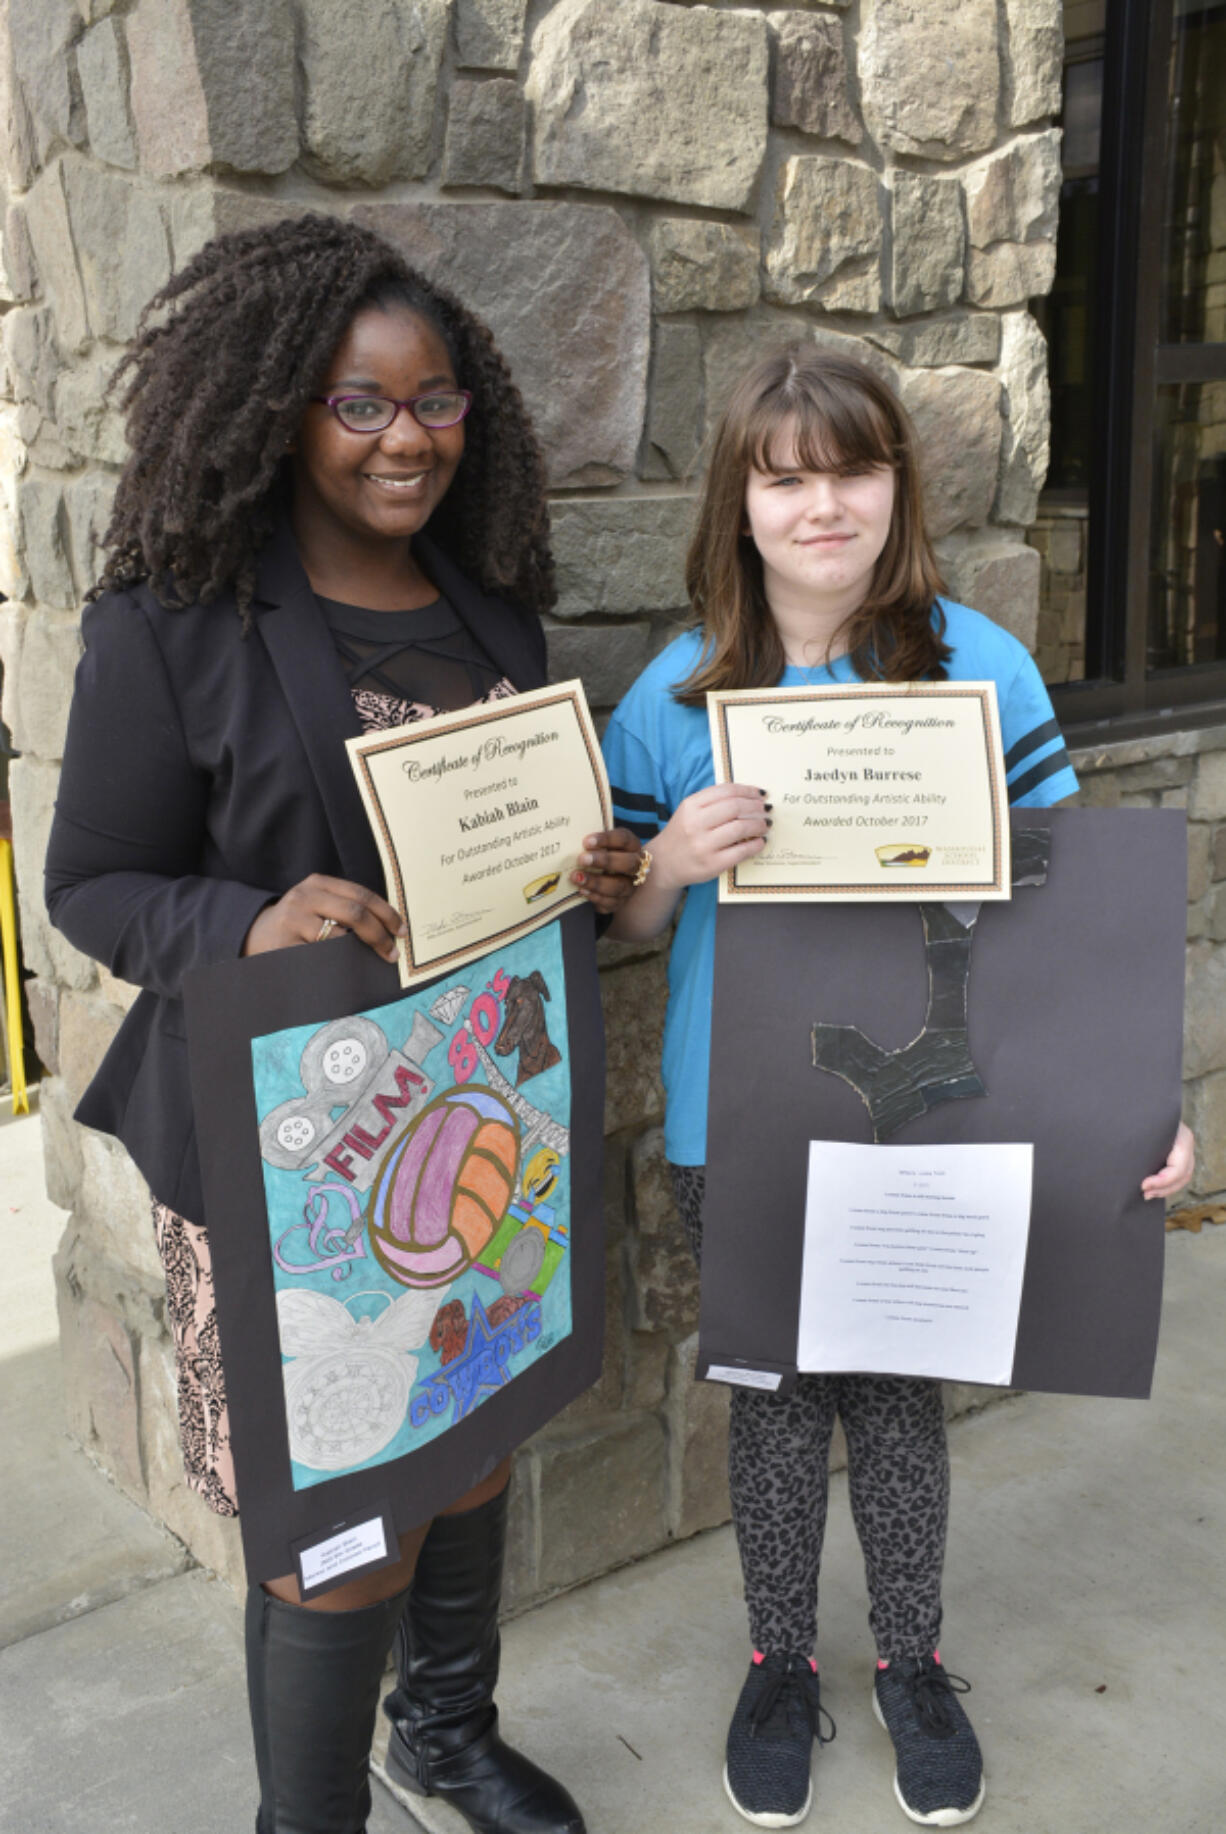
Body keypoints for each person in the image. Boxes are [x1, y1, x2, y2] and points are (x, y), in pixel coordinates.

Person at [44, 212, 642, 1834]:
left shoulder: (490, 610)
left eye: (434, 400)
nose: (405, 439)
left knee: (470, 1446)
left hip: (470, 1119)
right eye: (360, 403)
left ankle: (442, 1733)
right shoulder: (172, 622)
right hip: (276, 1149)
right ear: (281, 409)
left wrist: (577, 872)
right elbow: (92, 884)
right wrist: (250, 916)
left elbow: (501, 873)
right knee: (333, 1527)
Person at [597, 346, 1194, 1830]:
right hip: (731, 1109)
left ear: (895, 487)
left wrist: (1136, 1098)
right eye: (784, 476)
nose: (820, 506)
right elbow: (620, 927)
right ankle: (777, 1662)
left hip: (933, 1106)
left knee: (901, 1396)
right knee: (778, 1400)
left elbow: (1071, 915)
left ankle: (912, 1660)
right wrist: (668, 860)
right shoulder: (675, 696)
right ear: (739, 499)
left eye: (850, 471)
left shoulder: (976, 665)